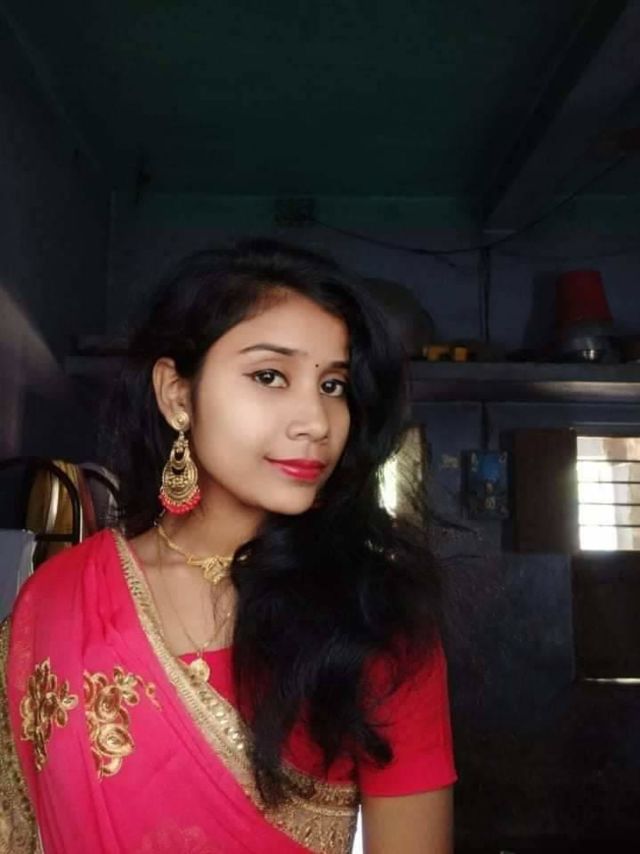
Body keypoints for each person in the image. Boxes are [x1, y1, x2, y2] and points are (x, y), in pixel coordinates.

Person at [0, 239, 456, 853]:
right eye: (270, 376)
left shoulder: (374, 618)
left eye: (334, 385)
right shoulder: (57, 600)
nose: (316, 422)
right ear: (177, 395)